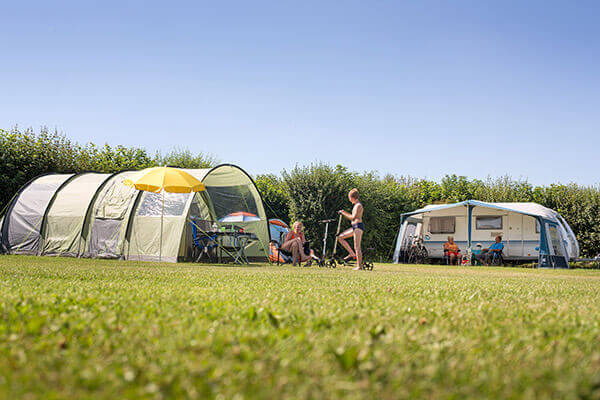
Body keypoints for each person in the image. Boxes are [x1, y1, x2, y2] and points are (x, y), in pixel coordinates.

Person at [337, 188, 364, 270]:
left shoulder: (358, 206)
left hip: (358, 226)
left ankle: (359, 266)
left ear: (351, 198)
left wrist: (343, 213)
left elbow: (353, 218)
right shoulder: (356, 205)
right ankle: (352, 254)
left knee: (357, 247)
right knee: (340, 237)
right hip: (354, 227)